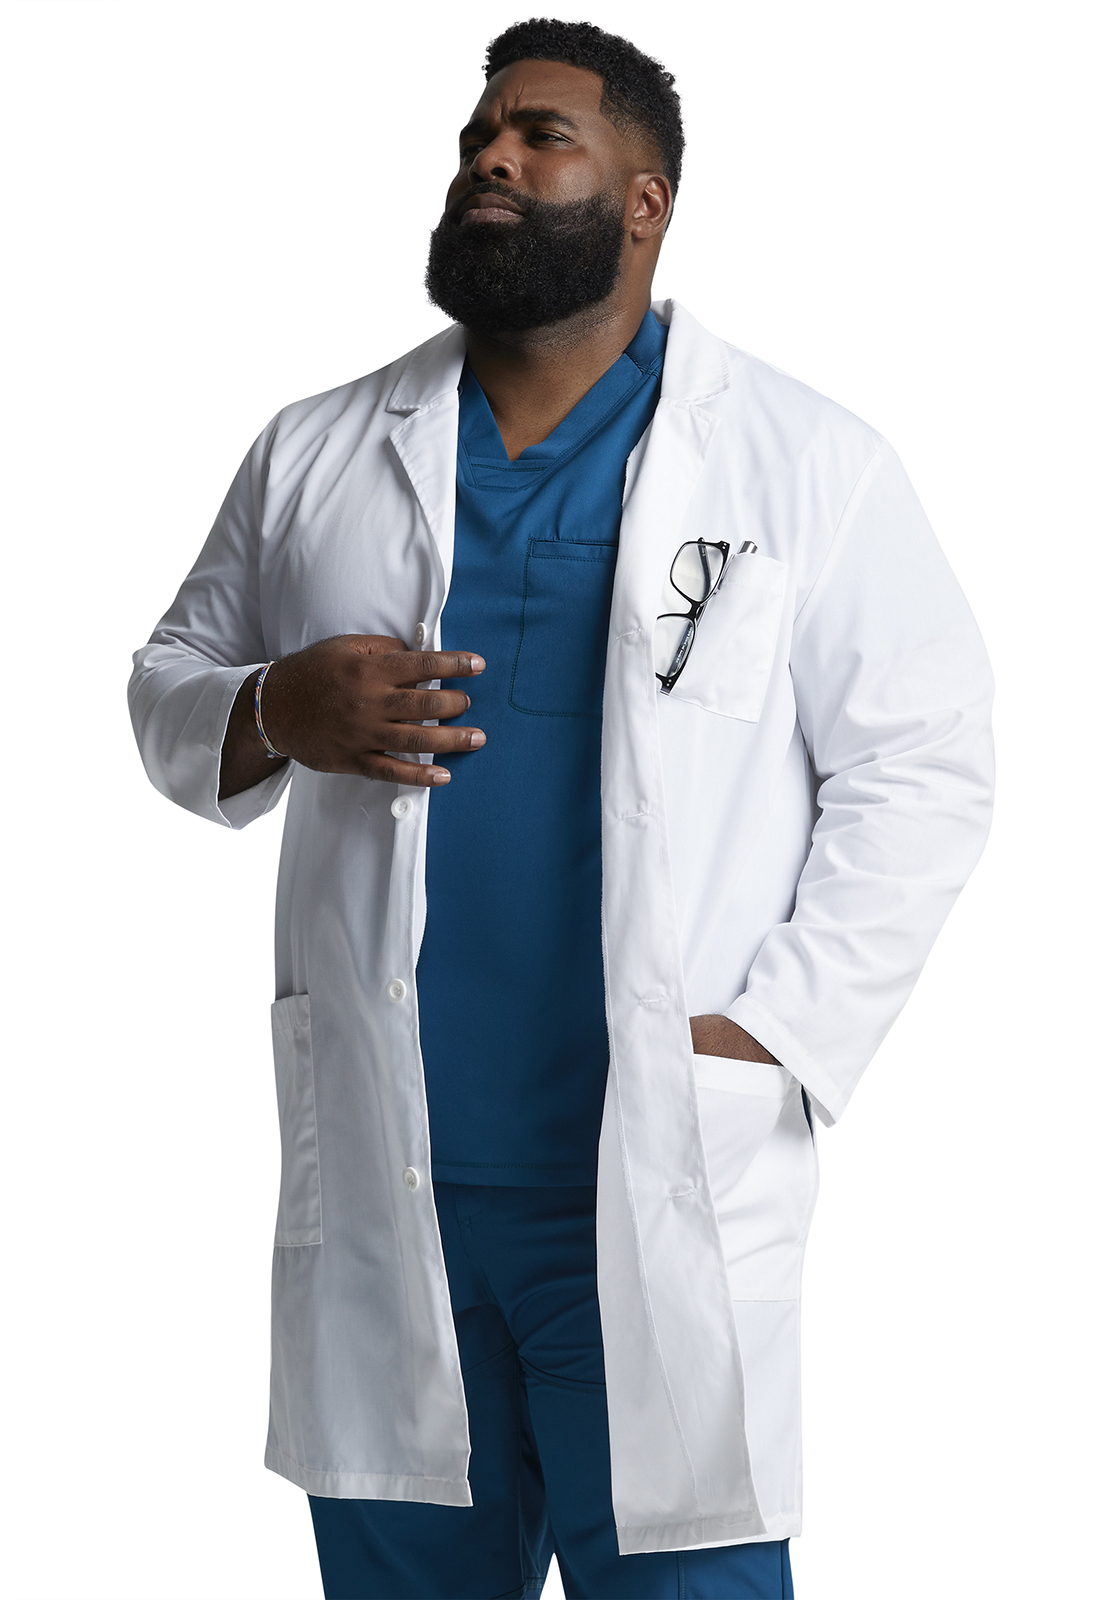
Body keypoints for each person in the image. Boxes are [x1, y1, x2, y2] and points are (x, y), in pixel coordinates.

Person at [128, 17, 994, 1600]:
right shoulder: (320, 450)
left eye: (542, 138)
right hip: (400, 1182)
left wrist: (782, 1030)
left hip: (656, 1178)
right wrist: (274, 708)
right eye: (480, 138)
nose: (493, 162)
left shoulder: (807, 464)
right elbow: (168, 683)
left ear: (647, 202)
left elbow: (925, 762)